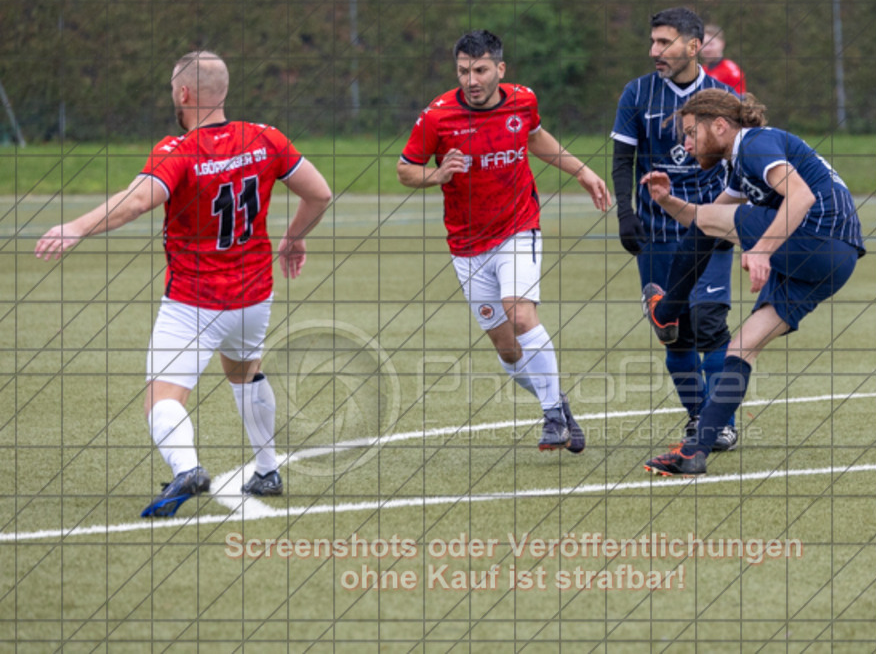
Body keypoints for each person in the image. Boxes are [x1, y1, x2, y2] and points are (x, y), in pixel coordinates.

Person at [35, 51, 333, 516]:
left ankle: (187, 468)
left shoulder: (178, 151)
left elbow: (135, 203)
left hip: (194, 301)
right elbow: (320, 193)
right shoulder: (266, 138)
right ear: (225, 91)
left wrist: (76, 227)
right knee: (244, 374)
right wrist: (294, 238)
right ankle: (268, 469)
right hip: (254, 297)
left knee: (162, 399)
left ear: (184, 93)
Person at [397, 30, 611, 453]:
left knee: (521, 313)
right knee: (509, 352)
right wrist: (436, 175)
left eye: (479, 70)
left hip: (518, 226)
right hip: (466, 245)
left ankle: (551, 417)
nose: (471, 80)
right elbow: (406, 169)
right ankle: (558, 405)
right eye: (463, 71)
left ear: (500, 69)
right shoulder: (437, 117)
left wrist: (583, 171)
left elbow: (535, 137)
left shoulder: (522, 101)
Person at [640, 89, 865, 476]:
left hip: (818, 234)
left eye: (692, 133)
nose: (687, 144)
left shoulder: (755, 144)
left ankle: (667, 310)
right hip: (837, 261)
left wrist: (761, 250)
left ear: (722, 125)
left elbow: (801, 196)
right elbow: (705, 221)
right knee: (742, 347)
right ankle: (696, 452)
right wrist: (665, 200)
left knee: (717, 229)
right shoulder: (738, 167)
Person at [611, 7, 738, 451]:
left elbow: (738, 161)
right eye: (652, 42)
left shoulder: (723, 95)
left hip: (712, 226)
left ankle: (720, 421)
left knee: (709, 321)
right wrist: (625, 214)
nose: (654, 51)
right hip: (656, 232)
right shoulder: (638, 93)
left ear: (693, 45)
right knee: (673, 328)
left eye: (664, 43)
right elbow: (623, 158)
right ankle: (700, 417)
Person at [700, 23, 746, 94]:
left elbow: (739, 101)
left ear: (722, 44)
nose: (706, 49)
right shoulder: (701, 71)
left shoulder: (731, 72)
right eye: (703, 45)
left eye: (711, 44)